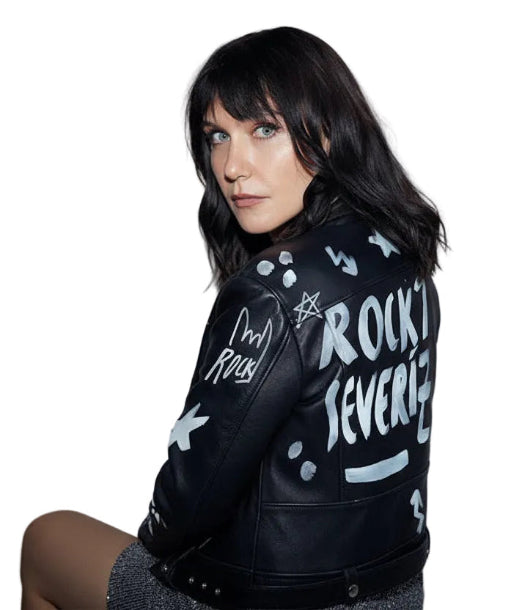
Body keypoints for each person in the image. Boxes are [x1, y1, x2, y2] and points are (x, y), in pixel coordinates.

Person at [20, 26, 447, 610]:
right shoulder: (403, 258)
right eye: (217, 136)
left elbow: (184, 506)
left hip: (270, 600)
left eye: (264, 130)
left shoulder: (273, 291)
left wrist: (160, 544)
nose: (232, 166)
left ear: (327, 131)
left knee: (46, 539)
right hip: (395, 593)